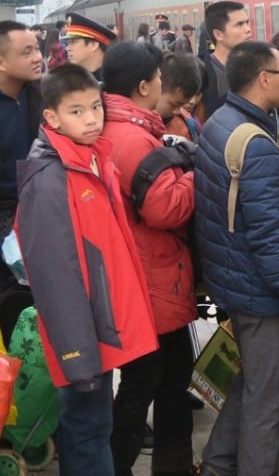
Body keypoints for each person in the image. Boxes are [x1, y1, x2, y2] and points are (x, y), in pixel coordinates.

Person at [15, 64, 158, 476]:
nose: (92, 118)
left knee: (94, 425)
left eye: (95, 107)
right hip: (81, 337)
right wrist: (77, 355)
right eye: (76, 111)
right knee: (86, 428)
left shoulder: (92, 159)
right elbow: (56, 278)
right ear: (52, 118)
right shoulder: (51, 179)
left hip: (100, 325)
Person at [193, 41, 279, 476]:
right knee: (271, 402)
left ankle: (217, 464)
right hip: (262, 292)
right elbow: (268, 235)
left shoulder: (221, 122)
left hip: (234, 280)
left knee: (252, 384)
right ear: (264, 78)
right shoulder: (259, 146)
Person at [101, 42, 197, 476]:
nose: (163, 83)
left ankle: (163, 464)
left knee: (159, 378)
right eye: (158, 77)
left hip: (142, 274)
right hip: (151, 277)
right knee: (151, 384)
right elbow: (165, 209)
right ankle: (130, 466)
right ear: (143, 86)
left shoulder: (112, 125)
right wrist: (198, 174)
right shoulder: (133, 137)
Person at [0, 21, 43, 285]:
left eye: (37, 49)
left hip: (40, 216)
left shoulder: (45, 96)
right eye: (26, 53)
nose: (38, 57)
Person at [196, 1, 250, 123]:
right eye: (239, 25)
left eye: (247, 23)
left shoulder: (255, 68)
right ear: (218, 34)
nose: (248, 29)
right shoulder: (199, 72)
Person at [157, 53, 204, 141]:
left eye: (182, 105)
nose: (178, 111)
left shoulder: (182, 129)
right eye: (173, 105)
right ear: (157, 87)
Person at [63, 12, 116, 84]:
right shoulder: (68, 80)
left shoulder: (116, 80)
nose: (67, 48)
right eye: (68, 43)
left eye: (73, 42)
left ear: (94, 45)